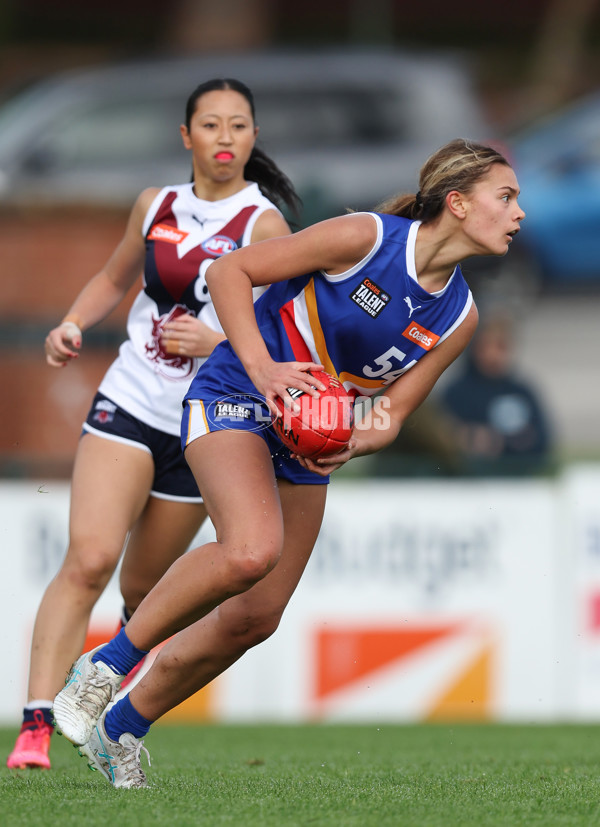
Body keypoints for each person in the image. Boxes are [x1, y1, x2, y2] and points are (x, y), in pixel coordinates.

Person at [52, 138, 525, 788]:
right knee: (250, 551)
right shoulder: (366, 237)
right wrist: (265, 369)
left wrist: (349, 437)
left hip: (308, 438)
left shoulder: (461, 316)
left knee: (256, 615)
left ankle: (123, 724)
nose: (518, 212)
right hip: (239, 392)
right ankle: (103, 666)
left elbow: (393, 410)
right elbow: (228, 274)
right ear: (459, 202)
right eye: (507, 196)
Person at [7, 78, 300, 771]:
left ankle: (106, 720)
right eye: (211, 125)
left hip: (209, 424)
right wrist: (75, 322)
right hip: (131, 399)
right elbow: (115, 278)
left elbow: (287, 332)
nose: (225, 138)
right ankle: (36, 725)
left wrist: (220, 344)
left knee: (145, 594)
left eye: (238, 126)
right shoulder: (156, 204)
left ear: (253, 138)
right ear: (186, 137)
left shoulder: (265, 225)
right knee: (88, 558)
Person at [438, 309, 553, 476]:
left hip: (518, 482)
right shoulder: (456, 392)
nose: (493, 354)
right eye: (486, 346)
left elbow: (542, 442)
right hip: (465, 482)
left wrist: (500, 443)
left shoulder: (522, 392)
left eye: (501, 346)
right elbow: (440, 440)